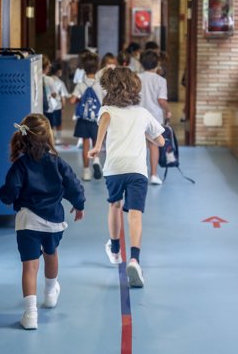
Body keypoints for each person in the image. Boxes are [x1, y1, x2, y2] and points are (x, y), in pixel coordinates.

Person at [0, 114, 85, 330]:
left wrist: (8, 199)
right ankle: (50, 291)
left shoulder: (20, 165)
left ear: (23, 137)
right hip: (54, 219)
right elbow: (73, 185)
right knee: (51, 253)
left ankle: (30, 314)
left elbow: (10, 191)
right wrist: (79, 204)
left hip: (28, 221)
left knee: (29, 266)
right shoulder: (58, 163)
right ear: (48, 138)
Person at [89, 67, 165, 288]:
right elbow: (160, 142)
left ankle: (115, 250)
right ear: (134, 89)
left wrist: (96, 147)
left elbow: (102, 126)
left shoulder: (107, 111)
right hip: (137, 169)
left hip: (114, 168)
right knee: (135, 214)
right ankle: (134, 259)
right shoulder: (142, 113)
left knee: (114, 205)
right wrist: (145, 132)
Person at [69, 51, 104, 181]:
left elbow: (72, 100)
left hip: (83, 120)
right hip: (96, 119)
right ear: (97, 68)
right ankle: (96, 160)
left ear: (84, 68)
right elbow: (105, 101)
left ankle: (86, 172)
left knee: (85, 145)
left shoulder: (80, 84)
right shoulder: (100, 85)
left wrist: (80, 100)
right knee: (96, 143)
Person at [138, 50, 171, 185]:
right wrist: (168, 111)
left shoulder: (136, 78)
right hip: (154, 117)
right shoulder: (161, 80)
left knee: (138, 146)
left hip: (137, 115)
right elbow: (161, 101)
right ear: (157, 64)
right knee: (153, 145)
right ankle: (153, 175)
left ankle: (139, 174)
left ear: (141, 63)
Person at [45, 60, 70, 145]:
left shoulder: (46, 80)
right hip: (57, 107)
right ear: (59, 71)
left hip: (47, 106)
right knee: (58, 123)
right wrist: (63, 105)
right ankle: (58, 139)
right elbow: (63, 96)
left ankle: (50, 139)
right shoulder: (60, 82)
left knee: (49, 124)